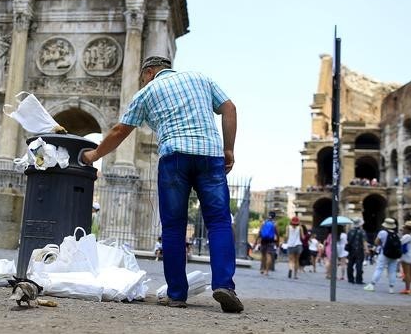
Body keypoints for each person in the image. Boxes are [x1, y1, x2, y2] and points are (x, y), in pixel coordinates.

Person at [80, 55, 242, 313]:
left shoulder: (147, 92)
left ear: (149, 72)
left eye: (142, 77)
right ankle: (224, 285)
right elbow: (229, 108)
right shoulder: (201, 78)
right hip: (210, 155)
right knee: (219, 222)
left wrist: (93, 155)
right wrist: (229, 149)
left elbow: (120, 131)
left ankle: (177, 294)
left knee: (174, 227)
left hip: (174, 158)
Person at [364, 218, 400, 293]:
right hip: (394, 255)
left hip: (384, 254)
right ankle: (391, 288)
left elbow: (376, 242)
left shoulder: (383, 232)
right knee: (392, 271)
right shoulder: (396, 234)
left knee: (379, 269)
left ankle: (372, 285)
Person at [256, 212, 279, 277]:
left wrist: (256, 242)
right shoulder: (275, 224)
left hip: (263, 241)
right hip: (271, 241)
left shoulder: (264, 222)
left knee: (263, 256)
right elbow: (277, 234)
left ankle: (262, 269)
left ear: (268, 216)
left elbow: (260, 232)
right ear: (274, 217)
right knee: (269, 256)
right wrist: (277, 242)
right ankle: (266, 271)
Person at [346, 218, 366, 284]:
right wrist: (366, 249)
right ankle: (358, 279)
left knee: (350, 264)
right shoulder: (362, 231)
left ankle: (350, 278)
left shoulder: (350, 231)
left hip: (351, 250)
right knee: (359, 265)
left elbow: (348, 240)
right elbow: (364, 241)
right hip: (359, 251)